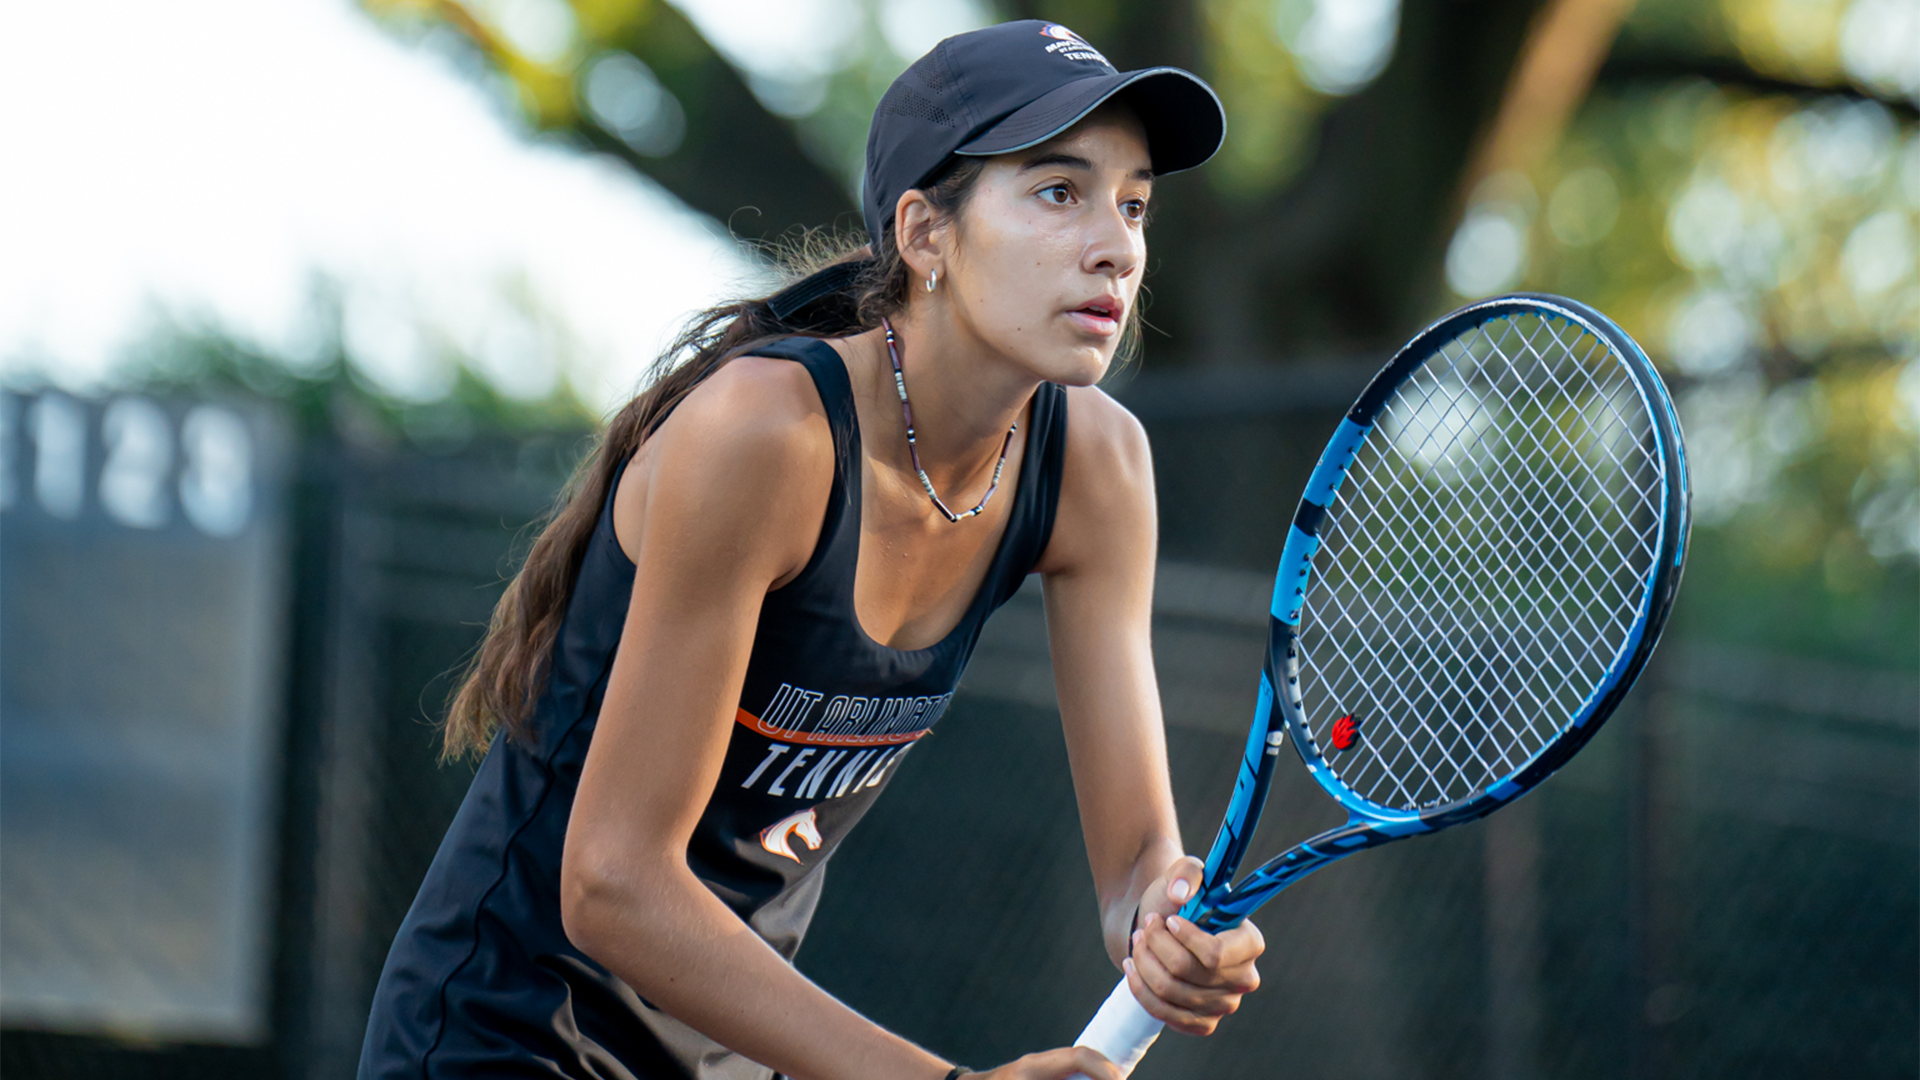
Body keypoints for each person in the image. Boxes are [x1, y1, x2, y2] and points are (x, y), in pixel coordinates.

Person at [358, 20, 1262, 1080]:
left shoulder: (1097, 469)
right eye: (1058, 192)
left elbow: (1135, 874)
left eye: (1135, 201)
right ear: (925, 235)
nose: (1115, 242)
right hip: (505, 1033)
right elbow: (611, 882)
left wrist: (1163, 924)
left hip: (731, 1049)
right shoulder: (767, 435)